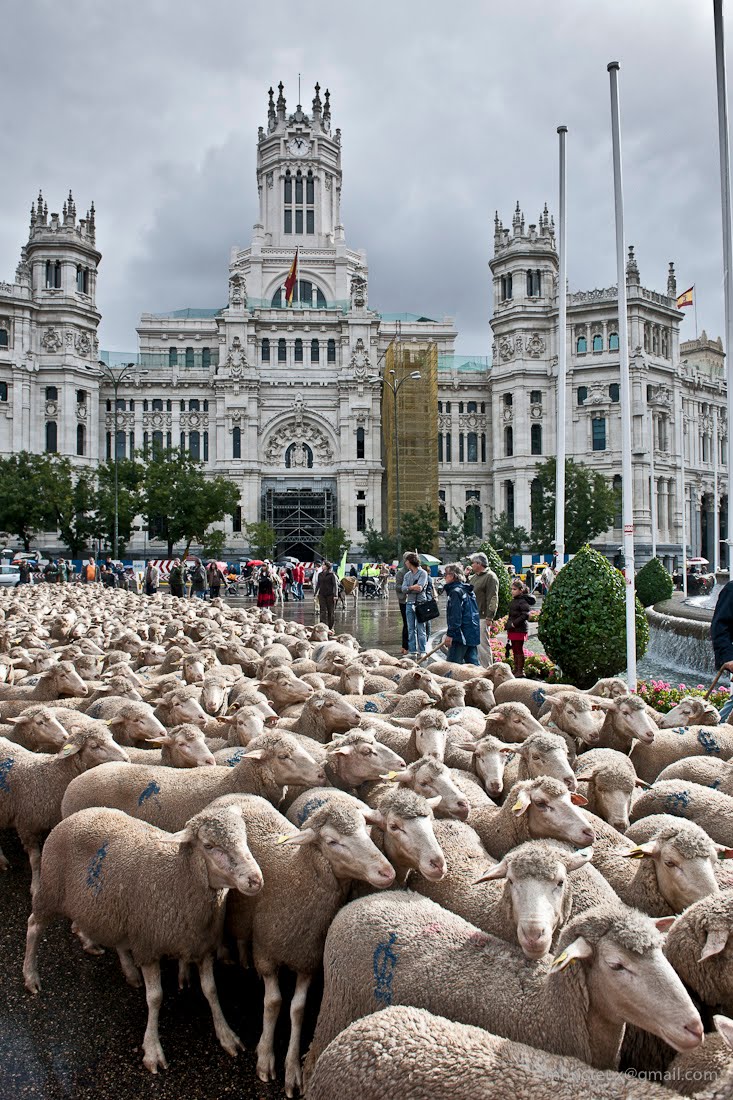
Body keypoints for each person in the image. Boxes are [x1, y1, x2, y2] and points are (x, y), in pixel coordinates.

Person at [442, 562, 481, 665]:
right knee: (473, 665)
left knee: (451, 666)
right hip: (471, 632)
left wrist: (450, 634)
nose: (444, 577)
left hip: (461, 634)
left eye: (446, 574)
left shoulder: (455, 592)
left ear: (453, 576)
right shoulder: (467, 590)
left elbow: (455, 615)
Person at [468, 552, 499, 667]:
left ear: (479, 563)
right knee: (474, 646)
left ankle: (488, 670)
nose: (471, 565)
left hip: (482, 616)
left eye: (473, 563)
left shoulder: (490, 576)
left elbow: (493, 597)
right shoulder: (474, 577)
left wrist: (490, 616)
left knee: (483, 646)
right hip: (472, 615)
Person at [401, 552, 429, 657]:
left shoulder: (423, 573)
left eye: (406, 561)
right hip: (409, 603)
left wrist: (409, 588)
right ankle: (412, 650)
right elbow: (403, 589)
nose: (405, 563)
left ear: (410, 562)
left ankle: (422, 650)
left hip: (420, 603)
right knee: (410, 628)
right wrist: (412, 587)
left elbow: (420, 588)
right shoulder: (407, 575)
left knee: (421, 628)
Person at [506, 580, 536, 678]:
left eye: (514, 589)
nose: (512, 591)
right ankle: (516, 669)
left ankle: (520, 670)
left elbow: (525, 615)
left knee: (518, 649)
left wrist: (514, 624)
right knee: (515, 648)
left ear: (520, 590)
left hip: (519, 629)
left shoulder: (522, 601)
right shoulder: (515, 600)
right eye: (512, 589)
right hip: (514, 628)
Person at [314, 559, 339, 629]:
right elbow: (318, 584)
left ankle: (331, 627)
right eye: (322, 565)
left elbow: (335, 585)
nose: (322, 566)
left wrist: (335, 595)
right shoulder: (320, 574)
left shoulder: (332, 574)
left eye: (323, 565)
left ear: (327, 566)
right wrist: (315, 593)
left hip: (330, 595)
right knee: (322, 611)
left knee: (330, 611)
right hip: (321, 594)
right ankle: (323, 627)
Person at [394, 555, 410, 654]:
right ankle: (405, 646)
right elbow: (397, 586)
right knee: (407, 624)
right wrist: (408, 588)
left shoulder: (417, 571)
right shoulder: (401, 572)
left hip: (414, 600)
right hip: (404, 601)